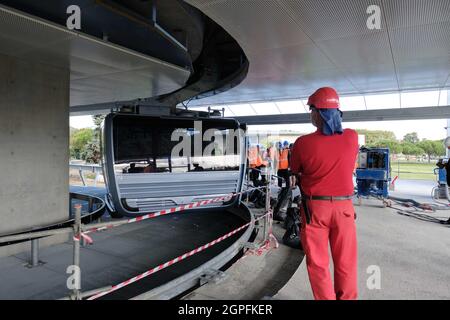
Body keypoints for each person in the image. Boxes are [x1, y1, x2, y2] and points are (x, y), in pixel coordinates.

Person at [290, 87, 359, 300]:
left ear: (319, 113)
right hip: (344, 209)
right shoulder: (351, 137)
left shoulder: (303, 143)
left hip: (315, 210)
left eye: (311, 110)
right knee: (346, 262)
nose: (310, 114)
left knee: (318, 263)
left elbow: (295, 172)